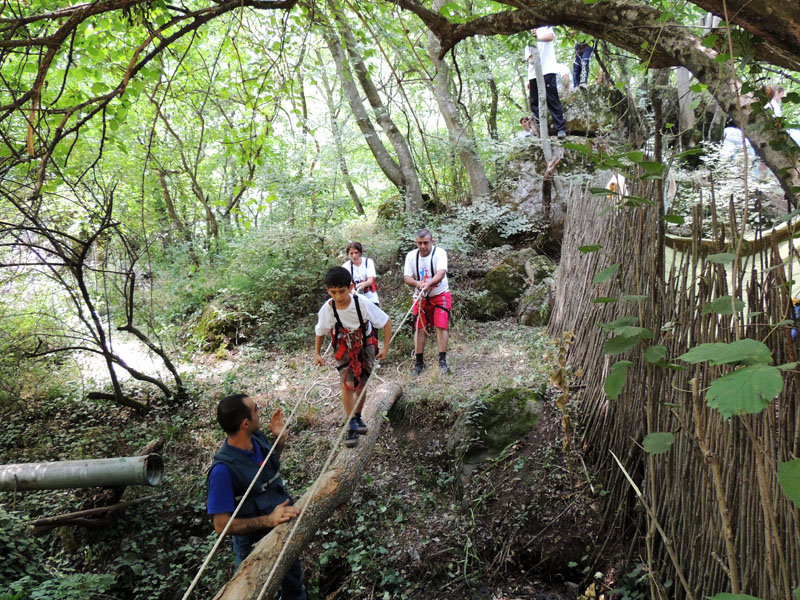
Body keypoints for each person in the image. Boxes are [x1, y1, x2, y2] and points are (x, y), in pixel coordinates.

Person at [207, 393, 307, 599]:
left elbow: (266, 471)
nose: (260, 412)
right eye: (256, 409)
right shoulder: (222, 471)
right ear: (245, 423)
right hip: (252, 546)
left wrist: (280, 439)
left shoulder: (257, 439)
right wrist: (268, 520)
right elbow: (221, 525)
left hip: (282, 527)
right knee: (252, 591)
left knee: (293, 585)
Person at [314, 267, 391, 447]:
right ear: (327, 290)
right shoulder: (328, 308)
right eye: (333, 292)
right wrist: (317, 353)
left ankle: (357, 416)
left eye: (342, 291)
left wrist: (385, 347)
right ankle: (352, 424)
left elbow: (386, 322)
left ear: (350, 287)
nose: (338, 296)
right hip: (343, 347)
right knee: (347, 384)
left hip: (365, 345)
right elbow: (321, 330)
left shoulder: (362, 303)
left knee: (360, 386)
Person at [403, 229, 452, 375]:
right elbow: (407, 277)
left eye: (425, 243)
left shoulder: (439, 253)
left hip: (440, 294)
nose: (423, 246)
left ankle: (442, 361)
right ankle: (419, 363)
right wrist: (418, 284)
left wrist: (429, 284)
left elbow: (441, 272)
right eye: (419, 243)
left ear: (432, 242)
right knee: (419, 327)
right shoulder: (411, 256)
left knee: (441, 325)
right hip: (420, 296)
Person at [525, 26, 567, 139]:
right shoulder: (527, 36)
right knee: (535, 103)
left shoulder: (546, 26)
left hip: (548, 70)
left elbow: (550, 36)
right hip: (533, 74)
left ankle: (560, 128)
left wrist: (537, 36)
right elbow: (530, 59)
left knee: (552, 99)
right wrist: (528, 79)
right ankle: (539, 129)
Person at [341, 241, 380, 306]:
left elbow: (370, 280)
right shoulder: (345, 266)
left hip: (370, 296)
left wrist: (363, 284)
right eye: (351, 253)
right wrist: (352, 290)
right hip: (355, 298)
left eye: (356, 252)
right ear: (348, 254)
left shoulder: (368, 262)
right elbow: (347, 284)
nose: (354, 255)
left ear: (360, 253)